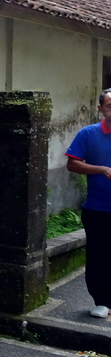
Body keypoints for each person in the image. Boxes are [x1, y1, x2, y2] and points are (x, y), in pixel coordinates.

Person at [66, 89, 111, 318]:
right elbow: (73, 164)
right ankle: (102, 301)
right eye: (110, 106)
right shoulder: (88, 133)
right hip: (98, 208)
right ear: (101, 109)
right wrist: (101, 169)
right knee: (99, 256)